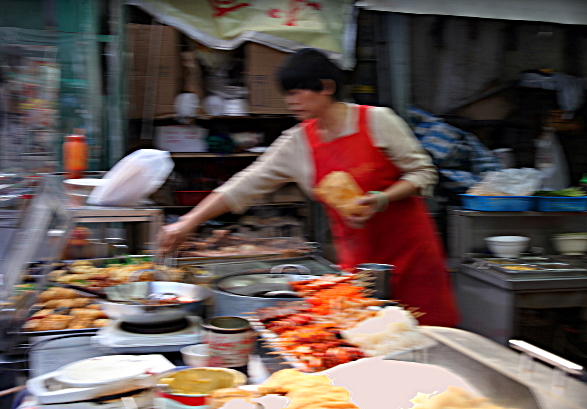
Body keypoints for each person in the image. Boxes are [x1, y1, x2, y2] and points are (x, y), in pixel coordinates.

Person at [158, 48, 458, 327]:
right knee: (363, 337)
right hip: (360, 259)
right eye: (286, 94)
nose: (290, 101)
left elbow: (423, 173)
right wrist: (186, 223)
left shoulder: (378, 120)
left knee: (428, 336)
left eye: (296, 92)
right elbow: (245, 183)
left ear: (326, 87)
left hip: (412, 252)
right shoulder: (296, 142)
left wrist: (381, 199)